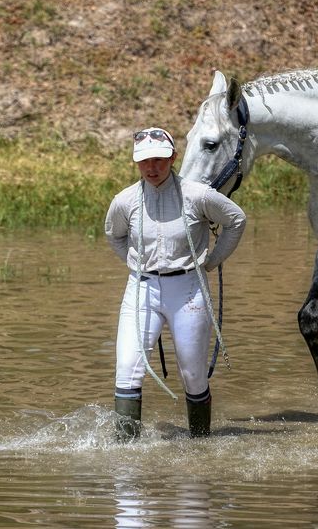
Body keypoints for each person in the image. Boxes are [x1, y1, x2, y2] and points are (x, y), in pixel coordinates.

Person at [104, 126, 246, 440]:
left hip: (189, 289)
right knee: (128, 368)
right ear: (136, 163)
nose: (152, 168)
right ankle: (125, 455)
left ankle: (200, 445)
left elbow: (236, 219)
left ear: (174, 158)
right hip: (142, 288)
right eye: (144, 161)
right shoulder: (125, 201)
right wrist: (135, 265)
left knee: (193, 375)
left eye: (159, 159)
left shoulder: (198, 195)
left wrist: (211, 261)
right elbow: (114, 235)